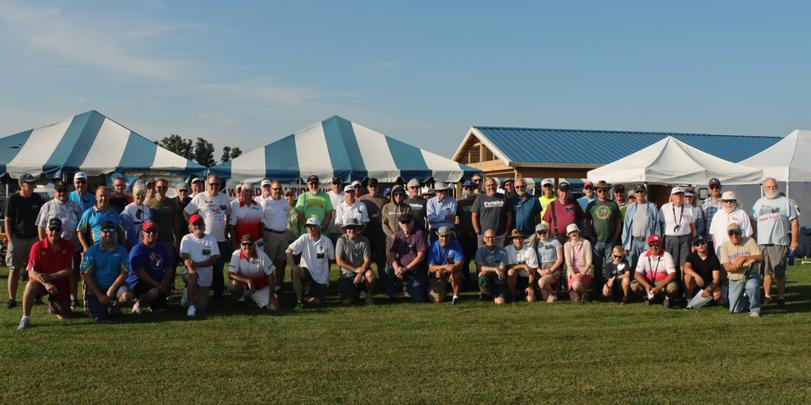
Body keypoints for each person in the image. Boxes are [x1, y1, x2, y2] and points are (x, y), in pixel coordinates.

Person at [751, 177, 799, 307]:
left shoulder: (785, 202)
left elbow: (794, 222)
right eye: (769, 187)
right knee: (766, 272)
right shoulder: (759, 202)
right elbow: (753, 221)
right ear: (764, 188)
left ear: (777, 187)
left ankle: (781, 297)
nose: (772, 189)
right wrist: (753, 239)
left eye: (774, 187)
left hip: (779, 242)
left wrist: (794, 241)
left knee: (779, 272)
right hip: (762, 243)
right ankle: (767, 296)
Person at [18, 218, 73, 329]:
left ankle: (53, 305)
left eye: (57, 230)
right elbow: (31, 272)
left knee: (64, 316)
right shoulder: (37, 247)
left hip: (60, 282)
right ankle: (25, 318)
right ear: (46, 230)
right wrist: (47, 283)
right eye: (51, 229)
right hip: (41, 283)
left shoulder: (68, 245)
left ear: (61, 231)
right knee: (30, 284)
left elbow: (70, 270)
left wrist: (52, 276)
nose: (54, 232)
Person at [36, 180, 83, 308]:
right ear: (55, 191)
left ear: (68, 192)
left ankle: (73, 298)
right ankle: (47, 294)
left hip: (72, 246)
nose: (62, 193)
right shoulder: (48, 206)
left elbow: (82, 225)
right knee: (52, 272)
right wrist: (43, 244)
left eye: (64, 190)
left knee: (72, 273)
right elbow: (41, 227)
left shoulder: (75, 205)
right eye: (59, 190)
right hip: (53, 246)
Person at [184, 175, 230, 300]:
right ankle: (198, 289)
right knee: (203, 265)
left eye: (217, 184)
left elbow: (228, 214)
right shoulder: (200, 197)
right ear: (206, 185)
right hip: (203, 241)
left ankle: (218, 293)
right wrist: (193, 227)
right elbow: (186, 212)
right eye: (211, 184)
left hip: (220, 240)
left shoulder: (224, 198)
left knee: (218, 268)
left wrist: (226, 230)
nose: (214, 186)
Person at [5, 174, 45, 309]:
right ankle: (12, 299)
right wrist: (11, 240)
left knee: (34, 270)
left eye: (33, 183)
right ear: (21, 185)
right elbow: (8, 220)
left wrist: (40, 239)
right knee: (14, 269)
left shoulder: (37, 198)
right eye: (30, 183)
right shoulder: (12, 199)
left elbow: (42, 220)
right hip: (17, 238)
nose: (33, 186)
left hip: (34, 238)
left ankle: (35, 297)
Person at [80, 221, 133, 322]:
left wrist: (111, 290)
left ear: (115, 233)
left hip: (115, 287)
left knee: (127, 296)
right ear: (100, 233)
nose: (108, 233)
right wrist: (99, 295)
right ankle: (102, 308)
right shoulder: (91, 251)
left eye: (111, 230)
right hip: (97, 288)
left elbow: (124, 273)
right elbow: (87, 275)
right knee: (100, 319)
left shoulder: (122, 250)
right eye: (105, 231)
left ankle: (115, 308)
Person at [287, 216, 335, 310]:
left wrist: (327, 279)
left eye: (312, 226)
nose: (310, 229)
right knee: (296, 272)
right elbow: (288, 251)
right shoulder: (304, 237)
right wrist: (293, 266)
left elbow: (331, 260)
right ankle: (299, 300)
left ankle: (307, 292)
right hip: (306, 272)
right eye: (308, 226)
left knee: (317, 301)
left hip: (321, 278)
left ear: (318, 227)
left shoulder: (327, 241)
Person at [126, 220, 173, 314]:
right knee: (154, 292)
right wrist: (158, 285)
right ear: (143, 233)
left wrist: (164, 282)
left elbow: (169, 267)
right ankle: (138, 304)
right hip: (138, 282)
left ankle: (150, 302)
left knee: (162, 310)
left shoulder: (162, 247)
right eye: (148, 231)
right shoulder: (137, 250)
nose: (151, 234)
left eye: (154, 231)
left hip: (156, 281)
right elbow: (141, 273)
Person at [584, 180, 622, 295]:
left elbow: (618, 221)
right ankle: (599, 290)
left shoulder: (613, 204)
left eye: (604, 190)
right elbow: (587, 221)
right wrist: (590, 235)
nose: (602, 192)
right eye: (600, 190)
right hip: (597, 241)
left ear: (608, 191)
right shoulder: (592, 205)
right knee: (598, 267)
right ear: (596, 191)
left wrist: (615, 235)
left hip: (610, 241)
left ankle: (611, 289)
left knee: (611, 267)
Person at [179, 214, 220, 317]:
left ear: (204, 225)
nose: (198, 226)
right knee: (192, 277)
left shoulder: (211, 239)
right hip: (190, 271)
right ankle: (191, 306)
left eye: (200, 223)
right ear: (190, 227)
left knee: (202, 306)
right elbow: (186, 258)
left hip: (205, 275)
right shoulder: (186, 238)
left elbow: (214, 259)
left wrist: (197, 264)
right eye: (195, 224)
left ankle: (190, 293)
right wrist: (191, 270)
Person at [382, 214, 428, 303]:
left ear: (412, 223)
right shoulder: (398, 235)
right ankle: (393, 295)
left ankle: (409, 287)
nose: (405, 224)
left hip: (415, 270)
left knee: (418, 299)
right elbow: (391, 254)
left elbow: (421, 256)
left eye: (408, 222)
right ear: (399, 224)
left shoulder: (419, 234)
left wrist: (405, 269)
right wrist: (396, 268)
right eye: (403, 222)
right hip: (400, 269)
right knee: (387, 270)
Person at [719, 222, 762, 317]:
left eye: (736, 233)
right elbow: (727, 267)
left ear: (741, 233)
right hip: (734, 279)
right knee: (735, 310)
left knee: (752, 286)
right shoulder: (724, 247)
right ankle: (747, 299)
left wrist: (744, 258)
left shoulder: (750, 241)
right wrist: (738, 266)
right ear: (728, 235)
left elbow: (760, 258)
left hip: (750, 275)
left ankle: (755, 309)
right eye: (731, 233)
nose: (734, 235)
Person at [228, 234, 278, 311]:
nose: (247, 246)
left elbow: (271, 275)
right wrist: (248, 280)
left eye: (250, 244)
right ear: (240, 245)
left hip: (260, 287)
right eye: (244, 244)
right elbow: (231, 273)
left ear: (254, 245)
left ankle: (259, 298)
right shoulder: (236, 254)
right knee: (233, 285)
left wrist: (271, 296)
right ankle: (241, 299)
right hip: (243, 287)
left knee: (273, 307)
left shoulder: (262, 255)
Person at [335, 218, 375, 306]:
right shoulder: (341, 240)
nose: (351, 230)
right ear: (346, 229)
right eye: (349, 228)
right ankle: (357, 292)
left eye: (354, 228)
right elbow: (338, 261)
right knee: (346, 302)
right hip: (346, 273)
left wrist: (360, 273)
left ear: (358, 229)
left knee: (370, 275)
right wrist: (354, 269)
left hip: (362, 271)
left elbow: (367, 260)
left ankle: (369, 297)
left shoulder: (364, 240)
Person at [631, 234, 678, 307]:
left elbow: (672, 274)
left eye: (656, 245)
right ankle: (647, 298)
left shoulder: (666, 255)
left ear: (661, 245)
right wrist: (646, 285)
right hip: (648, 282)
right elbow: (637, 274)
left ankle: (666, 298)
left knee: (673, 287)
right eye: (651, 245)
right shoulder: (643, 255)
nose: (654, 247)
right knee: (634, 285)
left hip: (662, 283)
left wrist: (658, 287)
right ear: (648, 245)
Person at [260, 180, 290, 292]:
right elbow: (260, 220)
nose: (277, 191)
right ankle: (268, 285)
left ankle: (278, 285)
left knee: (282, 262)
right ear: (270, 189)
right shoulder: (265, 202)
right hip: (271, 234)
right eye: (275, 189)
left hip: (283, 235)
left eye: (279, 188)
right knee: (269, 263)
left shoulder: (285, 201)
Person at [621, 184, 659, 271]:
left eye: (641, 191)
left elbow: (657, 226)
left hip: (647, 242)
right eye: (637, 192)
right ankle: (631, 283)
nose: (639, 193)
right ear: (635, 194)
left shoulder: (652, 207)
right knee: (632, 265)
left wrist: (656, 242)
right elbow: (626, 227)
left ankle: (644, 283)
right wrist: (625, 245)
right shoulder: (630, 207)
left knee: (646, 265)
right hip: (634, 241)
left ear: (645, 193)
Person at [659, 187, 695, 271]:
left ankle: (683, 283)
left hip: (686, 239)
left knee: (685, 263)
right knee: (671, 263)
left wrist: (694, 242)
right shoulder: (664, 208)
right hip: (670, 239)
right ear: (671, 196)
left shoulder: (690, 207)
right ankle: (673, 283)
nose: (679, 196)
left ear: (683, 196)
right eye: (676, 194)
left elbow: (693, 226)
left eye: (681, 194)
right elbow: (660, 225)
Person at [427, 226, 464, 304]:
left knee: (457, 274)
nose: (444, 239)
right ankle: (442, 288)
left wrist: (453, 267)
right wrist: (444, 267)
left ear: (450, 236)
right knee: (437, 300)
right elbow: (431, 267)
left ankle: (456, 296)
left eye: (446, 236)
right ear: (438, 236)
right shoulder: (432, 247)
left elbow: (460, 263)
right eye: (442, 236)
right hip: (437, 275)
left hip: (450, 272)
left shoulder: (456, 246)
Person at [683, 235, 724, 306]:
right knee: (687, 276)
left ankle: (704, 302)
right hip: (696, 283)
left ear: (706, 244)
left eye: (702, 243)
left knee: (717, 294)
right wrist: (696, 276)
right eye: (697, 244)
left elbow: (716, 279)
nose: (700, 245)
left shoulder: (714, 258)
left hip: (709, 284)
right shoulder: (691, 256)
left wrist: (708, 289)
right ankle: (689, 300)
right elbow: (686, 268)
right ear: (695, 247)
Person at [708, 191, 752, 257]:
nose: (729, 203)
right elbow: (713, 235)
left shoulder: (742, 214)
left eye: (731, 201)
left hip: (739, 251)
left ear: (735, 202)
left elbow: (748, 234)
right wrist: (716, 251)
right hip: (721, 251)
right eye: (726, 201)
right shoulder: (717, 215)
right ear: (722, 202)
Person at [359, 178, 388, 277]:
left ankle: (383, 280)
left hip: (380, 234)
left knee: (381, 259)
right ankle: (367, 280)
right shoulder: (362, 199)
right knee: (366, 259)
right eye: (371, 186)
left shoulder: (384, 199)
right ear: (367, 187)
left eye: (375, 186)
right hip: (365, 233)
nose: (373, 188)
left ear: (378, 187)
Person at [472, 177, 513, 247]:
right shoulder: (479, 199)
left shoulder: (504, 198)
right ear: (485, 187)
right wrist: (477, 232)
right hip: (484, 236)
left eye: (493, 185)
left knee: (499, 257)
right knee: (483, 256)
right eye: (488, 185)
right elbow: (474, 216)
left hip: (500, 236)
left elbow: (509, 216)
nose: (491, 187)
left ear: (496, 185)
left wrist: (506, 231)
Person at [148, 178, 181, 256]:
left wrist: (178, 240)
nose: (161, 189)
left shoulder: (172, 203)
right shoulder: (149, 203)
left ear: (167, 189)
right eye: (159, 187)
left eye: (164, 187)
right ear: (155, 188)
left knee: (168, 265)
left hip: (168, 240)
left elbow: (175, 223)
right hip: (153, 240)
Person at [455, 180, 478, 290]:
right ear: (463, 189)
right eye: (466, 188)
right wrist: (457, 229)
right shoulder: (459, 202)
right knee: (464, 261)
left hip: (476, 234)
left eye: (471, 188)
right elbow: (454, 217)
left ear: (474, 189)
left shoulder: (478, 200)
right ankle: (465, 284)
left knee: (478, 260)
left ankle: (479, 284)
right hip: (463, 235)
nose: (468, 190)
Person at [505, 229, 539, 302]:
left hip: (527, 279)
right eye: (516, 238)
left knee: (531, 300)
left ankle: (526, 293)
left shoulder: (530, 250)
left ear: (523, 239)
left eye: (520, 238)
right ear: (512, 240)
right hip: (513, 278)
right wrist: (523, 266)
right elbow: (509, 266)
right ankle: (512, 295)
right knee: (511, 271)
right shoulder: (507, 249)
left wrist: (530, 286)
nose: (518, 240)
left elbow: (532, 270)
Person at [475, 228, 508, 304]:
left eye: (492, 237)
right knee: (482, 277)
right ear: (484, 239)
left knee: (500, 302)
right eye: (488, 237)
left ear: (495, 238)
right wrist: (495, 269)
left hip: (499, 280)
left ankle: (492, 296)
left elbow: (502, 269)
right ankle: (485, 293)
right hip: (488, 277)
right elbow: (480, 267)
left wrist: (488, 270)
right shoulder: (480, 251)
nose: (490, 239)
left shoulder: (502, 251)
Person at [229, 181, 263, 253]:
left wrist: (262, 239)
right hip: (241, 243)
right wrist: (234, 244)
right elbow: (232, 227)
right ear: (242, 192)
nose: (248, 193)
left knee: (257, 262)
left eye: (250, 191)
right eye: (246, 191)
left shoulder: (258, 205)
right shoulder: (235, 205)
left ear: (253, 193)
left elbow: (262, 224)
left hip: (256, 242)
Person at [534, 223, 564, 303]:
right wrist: (540, 271)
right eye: (540, 233)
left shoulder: (555, 242)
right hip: (542, 271)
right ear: (537, 234)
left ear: (548, 231)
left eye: (544, 232)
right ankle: (553, 293)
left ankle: (553, 293)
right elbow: (533, 262)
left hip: (554, 269)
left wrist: (550, 270)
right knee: (545, 298)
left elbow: (560, 259)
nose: (542, 234)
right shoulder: (535, 244)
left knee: (541, 282)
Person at [563, 224, 592, 303]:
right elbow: (568, 263)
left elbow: (589, 262)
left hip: (585, 272)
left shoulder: (586, 243)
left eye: (574, 231)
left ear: (578, 232)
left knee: (576, 285)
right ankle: (581, 293)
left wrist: (582, 273)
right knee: (575, 300)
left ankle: (584, 294)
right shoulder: (566, 245)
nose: (573, 234)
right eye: (570, 233)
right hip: (572, 273)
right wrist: (573, 275)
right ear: (568, 235)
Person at [381, 185, 412, 249]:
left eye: (400, 194)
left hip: (404, 238)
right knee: (390, 257)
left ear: (403, 195)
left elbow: (411, 223)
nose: (398, 196)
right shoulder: (386, 207)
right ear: (392, 195)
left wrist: (405, 234)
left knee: (404, 257)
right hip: (390, 238)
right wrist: (392, 235)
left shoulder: (407, 208)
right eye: (396, 194)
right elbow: (384, 224)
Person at [702, 178, 723, 248]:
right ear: (709, 189)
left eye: (717, 187)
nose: (715, 189)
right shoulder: (705, 203)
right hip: (708, 238)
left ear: (720, 188)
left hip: (722, 238)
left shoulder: (726, 201)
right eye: (712, 187)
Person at [325, 176, 343, 245]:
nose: (336, 185)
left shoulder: (345, 195)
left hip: (341, 231)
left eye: (338, 183)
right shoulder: (326, 195)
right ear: (331, 184)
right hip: (328, 230)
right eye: (334, 183)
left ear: (341, 184)